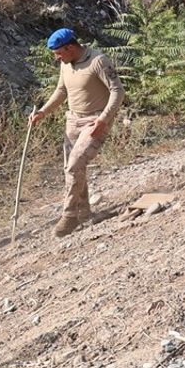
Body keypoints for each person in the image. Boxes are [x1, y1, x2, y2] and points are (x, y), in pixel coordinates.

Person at [29, 28, 125, 237]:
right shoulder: (66, 65)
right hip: (73, 121)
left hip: (94, 121)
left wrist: (103, 120)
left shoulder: (98, 61)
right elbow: (61, 91)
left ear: (70, 47)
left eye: (58, 53)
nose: (57, 58)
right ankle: (84, 214)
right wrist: (43, 112)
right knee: (71, 168)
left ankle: (69, 216)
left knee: (74, 166)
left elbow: (117, 91)